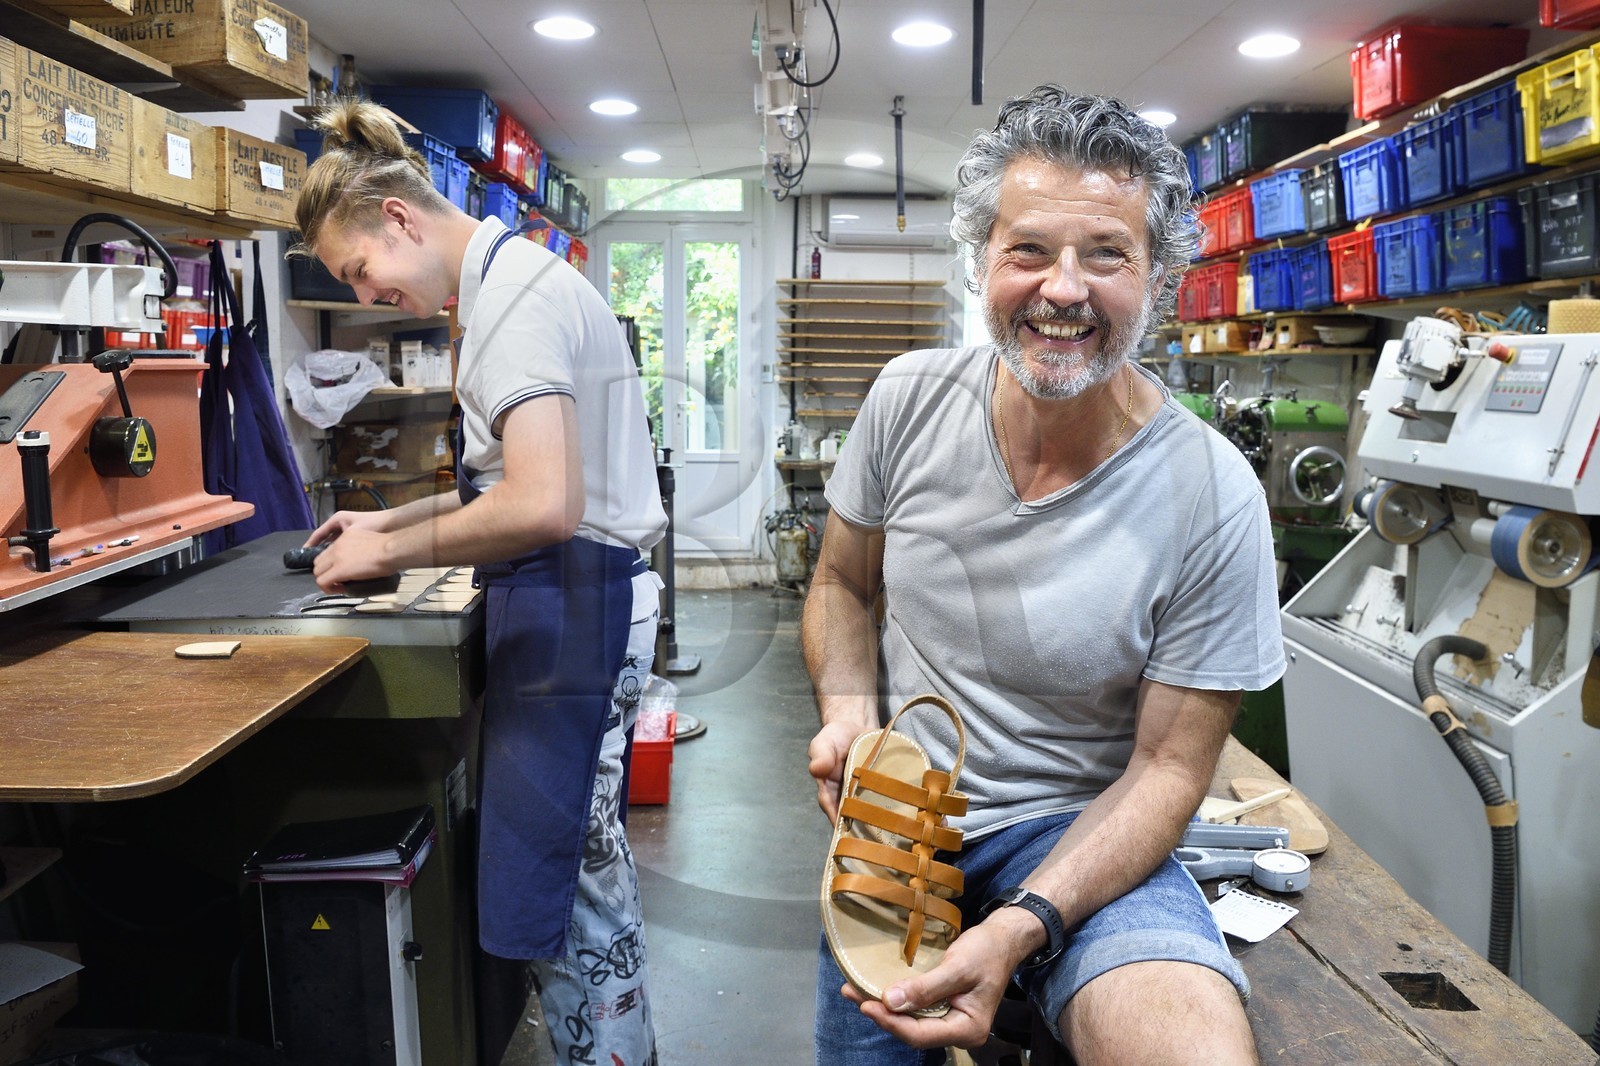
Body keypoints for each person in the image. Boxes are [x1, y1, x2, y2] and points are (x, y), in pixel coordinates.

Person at [803, 85, 1285, 1065]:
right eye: (1028, 249)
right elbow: (842, 584)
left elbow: (1168, 772)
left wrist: (1024, 921)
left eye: (1104, 253)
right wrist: (848, 711)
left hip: (1082, 832)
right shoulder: (906, 400)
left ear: (1158, 276)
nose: (1062, 288)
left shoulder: (1211, 491)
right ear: (981, 260)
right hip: (901, 824)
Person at [292, 101, 668, 1065]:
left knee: (574, 873)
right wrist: (392, 520)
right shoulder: (512, 283)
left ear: (399, 219)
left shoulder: (515, 305)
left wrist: (389, 555)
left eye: (358, 270)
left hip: (575, 605)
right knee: (576, 863)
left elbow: (543, 504)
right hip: (571, 597)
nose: (368, 293)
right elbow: (506, 488)